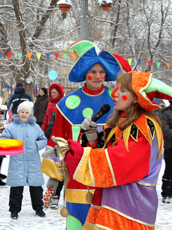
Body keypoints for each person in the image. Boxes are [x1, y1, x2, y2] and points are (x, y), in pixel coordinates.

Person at [62, 71, 172, 229]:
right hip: (112, 202)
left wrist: (76, 153)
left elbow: (120, 162)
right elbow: (107, 151)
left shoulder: (143, 126)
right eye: (117, 88)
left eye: (123, 90)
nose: (115, 94)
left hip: (130, 208)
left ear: (137, 97)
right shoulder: (119, 122)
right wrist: (93, 138)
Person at [40, 40, 131, 229]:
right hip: (76, 174)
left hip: (107, 175)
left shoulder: (117, 100)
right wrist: (54, 178)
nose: (97, 76)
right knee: (77, 221)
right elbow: (58, 138)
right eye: (93, 72)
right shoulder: (67, 103)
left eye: (101, 72)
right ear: (85, 74)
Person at [0, 101, 47, 219]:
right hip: (17, 162)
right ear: (18, 113)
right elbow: (4, 139)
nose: (24, 114)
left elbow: (43, 139)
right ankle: (14, 210)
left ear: (30, 114)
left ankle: (38, 208)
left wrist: (36, 146)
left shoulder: (35, 127)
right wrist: (12, 146)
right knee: (16, 188)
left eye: (26, 112)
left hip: (33, 162)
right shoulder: (11, 127)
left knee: (36, 187)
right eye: (22, 112)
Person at [160, 100, 172, 204]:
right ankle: (166, 193)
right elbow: (165, 129)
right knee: (170, 171)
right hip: (171, 147)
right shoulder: (166, 113)